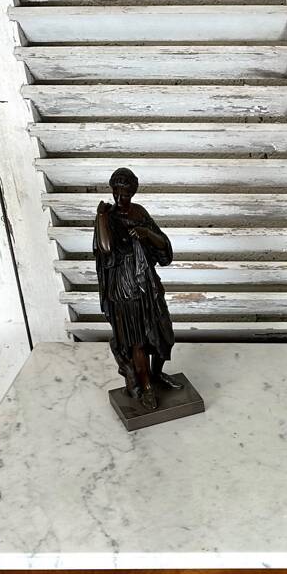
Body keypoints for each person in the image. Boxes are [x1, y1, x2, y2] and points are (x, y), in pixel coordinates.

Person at [92, 167, 181, 411]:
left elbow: (164, 246)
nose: (121, 199)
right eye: (117, 194)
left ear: (133, 192)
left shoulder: (139, 213)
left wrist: (145, 233)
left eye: (126, 194)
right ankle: (146, 388)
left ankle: (156, 374)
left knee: (164, 333)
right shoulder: (106, 217)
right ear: (112, 191)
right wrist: (100, 217)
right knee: (137, 342)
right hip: (124, 290)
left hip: (148, 285)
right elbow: (106, 248)